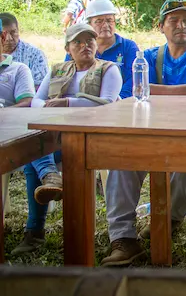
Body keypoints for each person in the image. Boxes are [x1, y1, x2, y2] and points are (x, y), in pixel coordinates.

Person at [102, 0, 186, 267]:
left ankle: (169, 221)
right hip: (152, 133)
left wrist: (155, 90)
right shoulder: (148, 57)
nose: (181, 25)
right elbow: (135, 94)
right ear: (161, 26)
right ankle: (124, 239)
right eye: (174, 20)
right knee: (122, 163)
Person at [12, 23, 121, 256]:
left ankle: (35, 230)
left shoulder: (108, 69)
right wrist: (52, 108)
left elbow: (108, 102)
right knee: (37, 153)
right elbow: (37, 102)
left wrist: (66, 103)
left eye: (89, 41)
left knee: (36, 158)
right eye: (77, 43)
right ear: (67, 48)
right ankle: (49, 181)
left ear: (96, 44)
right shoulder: (58, 69)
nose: (85, 46)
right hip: (58, 139)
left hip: (93, 139)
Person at [66, 0, 139, 99]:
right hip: (82, 103)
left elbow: (135, 79)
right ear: (89, 24)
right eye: (99, 21)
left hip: (119, 104)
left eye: (109, 20)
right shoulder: (78, 49)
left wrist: (117, 99)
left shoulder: (128, 47)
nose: (105, 25)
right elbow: (66, 76)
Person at [1, 12, 49, 88]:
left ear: (18, 31)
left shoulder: (35, 54)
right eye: (3, 34)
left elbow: (41, 87)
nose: (8, 38)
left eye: (13, 32)